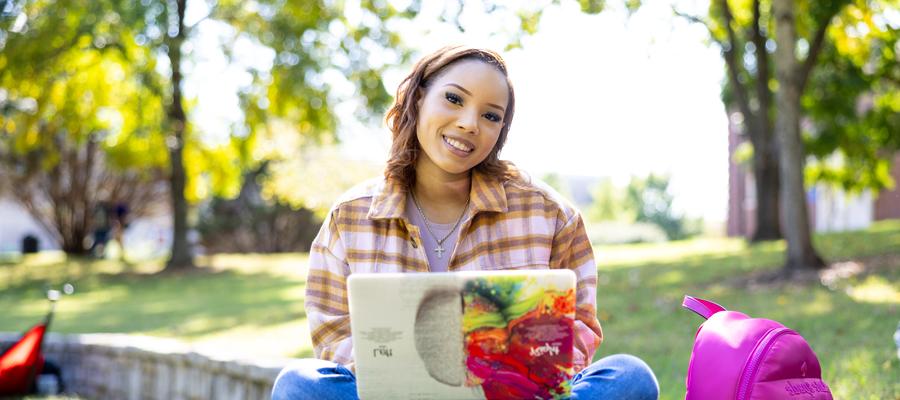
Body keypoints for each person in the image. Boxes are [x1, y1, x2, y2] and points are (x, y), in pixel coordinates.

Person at [272, 45, 659, 399]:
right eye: (454, 99)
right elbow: (332, 332)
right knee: (299, 384)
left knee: (629, 377)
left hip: (510, 397)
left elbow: (578, 328)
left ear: (500, 131)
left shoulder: (549, 214)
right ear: (419, 97)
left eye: (491, 115)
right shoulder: (351, 216)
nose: (470, 123)